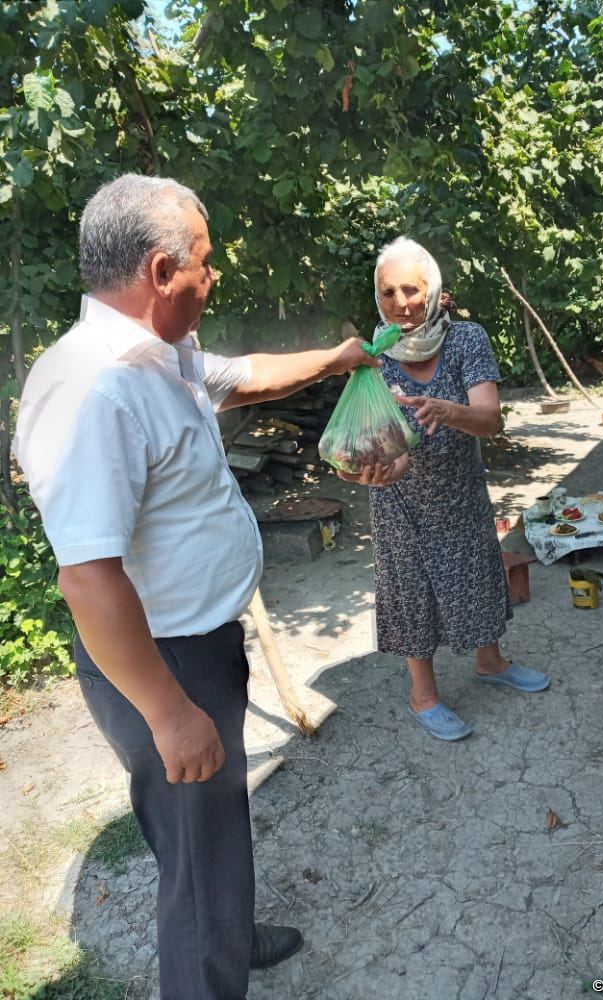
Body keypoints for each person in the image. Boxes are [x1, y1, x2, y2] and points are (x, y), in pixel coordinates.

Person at [12, 174, 377, 1000]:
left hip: (196, 640)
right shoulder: (94, 387)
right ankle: (210, 961)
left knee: (203, 835)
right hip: (165, 660)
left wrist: (340, 356)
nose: (215, 278)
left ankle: (231, 929)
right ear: (160, 270)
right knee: (198, 848)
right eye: (205, 263)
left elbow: (244, 376)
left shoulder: (160, 356)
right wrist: (172, 714)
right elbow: (87, 575)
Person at [336, 237, 549, 742]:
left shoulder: (467, 339)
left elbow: (490, 420)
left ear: (434, 292)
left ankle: (490, 662)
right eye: (388, 292)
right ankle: (423, 696)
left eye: (411, 289)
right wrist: (372, 469)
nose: (401, 303)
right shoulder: (374, 355)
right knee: (412, 593)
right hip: (400, 502)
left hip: (460, 493)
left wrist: (446, 410)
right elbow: (365, 440)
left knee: (477, 575)